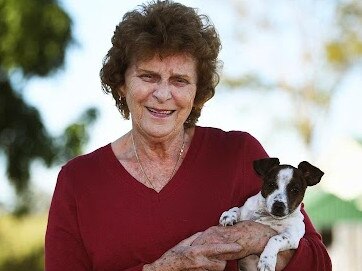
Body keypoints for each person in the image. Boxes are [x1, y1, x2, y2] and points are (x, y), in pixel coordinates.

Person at [45, 1, 332, 270]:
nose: (162, 94)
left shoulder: (240, 154)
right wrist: (164, 268)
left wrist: (259, 237)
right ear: (121, 84)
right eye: (148, 76)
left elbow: (320, 264)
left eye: (180, 80)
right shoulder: (79, 181)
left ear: (197, 94)